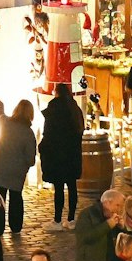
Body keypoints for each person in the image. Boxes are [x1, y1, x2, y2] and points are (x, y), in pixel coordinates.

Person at [39, 83, 85, 228]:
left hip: (57, 156)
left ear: (56, 92)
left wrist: (43, 147)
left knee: (58, 188)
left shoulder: (54, 110)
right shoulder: (74, 109)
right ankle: (71, 219)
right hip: (72, 155)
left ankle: (57, 220)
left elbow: (49, 133)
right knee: (72, 187)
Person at [0, 99, 36, 236]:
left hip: (0, 167)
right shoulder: (28, 133)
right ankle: (15, 227)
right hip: (17, 171)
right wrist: (26, 164)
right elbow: (30, 158)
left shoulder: (5, 123)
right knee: (16, 197)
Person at [74, 189, 126, 261]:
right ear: (106, 202)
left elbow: (121, 241)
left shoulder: (111, 217)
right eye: (117, 205)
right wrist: (107, 225)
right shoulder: (87, 214)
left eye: (121, 207)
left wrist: (122, 228)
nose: (119, 210)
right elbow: (85, 237)